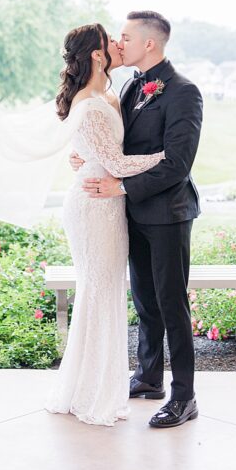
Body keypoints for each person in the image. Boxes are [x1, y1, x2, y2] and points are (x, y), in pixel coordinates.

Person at [70, 11, 204, 428]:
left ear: (150, 43)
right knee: (146, 302)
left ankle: (185, 396)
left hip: (167, 213)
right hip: (129, 213)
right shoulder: (128, 87)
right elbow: (113, 145)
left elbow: (177, 164)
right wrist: (87, 157)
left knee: (171, 302)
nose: (118, 44)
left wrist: (122, 187)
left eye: (125, 37)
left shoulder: (184, 92)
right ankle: (148, 378)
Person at [42, 23, 165, 427]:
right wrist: (168, 159)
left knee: (105, 292)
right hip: (95, 204)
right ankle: (91, 394)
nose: (117, 43)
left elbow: (98, 148)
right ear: (97, 54)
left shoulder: (108, 94)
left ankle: (94, 386)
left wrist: (81, 155)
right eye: (111, 40)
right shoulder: (91, 103)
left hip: (109, 201)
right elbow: (116, 163)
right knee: (98, 292)